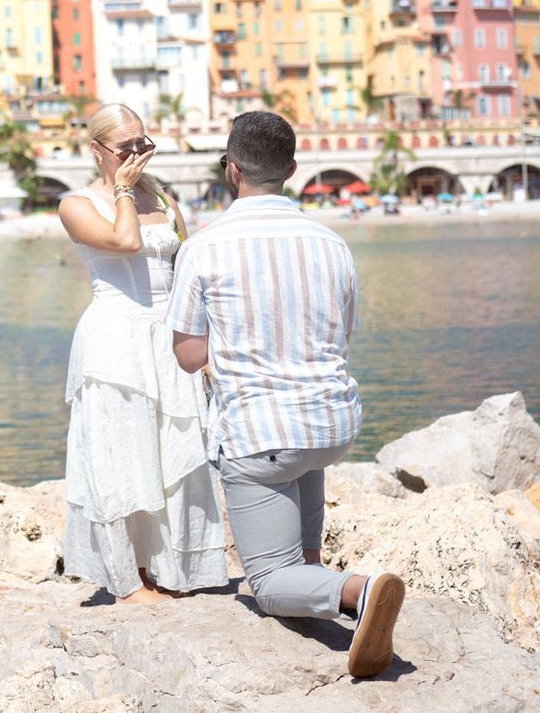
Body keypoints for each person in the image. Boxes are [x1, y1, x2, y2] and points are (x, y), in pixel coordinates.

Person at [168, 110, 404, 678]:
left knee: (267, 581)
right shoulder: (332, 243)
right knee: (298, 472)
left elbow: (189, 357)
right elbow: (343, 334)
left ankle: (360, 592)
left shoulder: (204, 247)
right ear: (292, 170)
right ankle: (315, 574)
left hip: (262, 438)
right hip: (331, 429)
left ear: (231, 170)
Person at [55, 104, 228, 603]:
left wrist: (205, 340)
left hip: (165, 335)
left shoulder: (165, 198)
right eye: (125, 147)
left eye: (143, 144)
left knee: (169, 452)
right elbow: (125, 242)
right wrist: (126, 189)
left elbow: (187, 266)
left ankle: (169, 569)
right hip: (114, 338)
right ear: (98, 151)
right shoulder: (78, 204)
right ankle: (127, 583)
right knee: (119, 457)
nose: (136, 155)